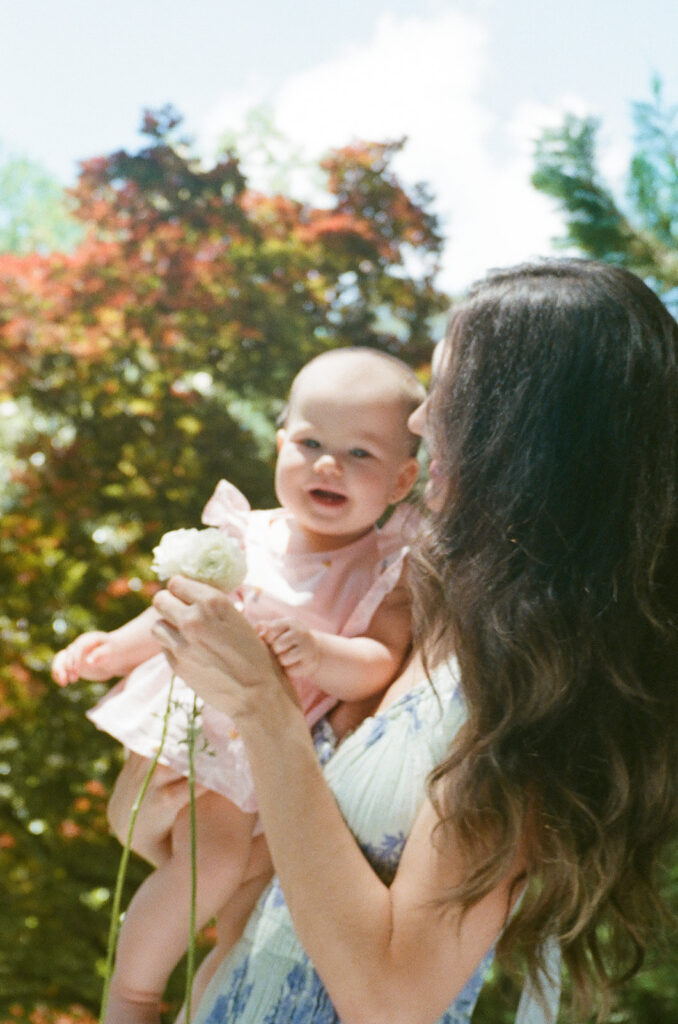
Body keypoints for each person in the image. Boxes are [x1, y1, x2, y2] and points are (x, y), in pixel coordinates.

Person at [148, 259, 678, 1024]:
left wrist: (264, 708)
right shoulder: (432, 618)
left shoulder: (539, 689)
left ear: (527, 429)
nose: (422, 421)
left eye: (449, 394)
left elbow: (393, 999)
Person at [52, 347, 425, 1024]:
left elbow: (377, 661)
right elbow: (178, 608)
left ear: (403, 480)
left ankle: (206, 1005)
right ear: (280, 444)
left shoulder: (383, 570)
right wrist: (109, 650)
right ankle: (131, 996)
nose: (327, 464)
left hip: (273, 752)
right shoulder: (245, 534)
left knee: (244, 912)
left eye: (359, 454)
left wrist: (318, 652)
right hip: (207, 726)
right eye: (310, 442)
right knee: (216, 865)